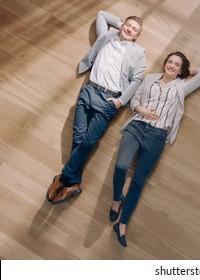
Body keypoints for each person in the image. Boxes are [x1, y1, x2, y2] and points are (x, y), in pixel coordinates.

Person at [110, 51, 200, 247]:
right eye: (170, 62)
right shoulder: (150, 79)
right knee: (121, 166)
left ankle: (122, 224)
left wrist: (185, 71)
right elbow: (135, 100)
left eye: (176, 65)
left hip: (157, 136)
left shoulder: (182, 86)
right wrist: (142, 110)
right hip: (137, 126)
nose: (171, 65)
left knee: (138, 181)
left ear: (181, 69)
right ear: (165, 63)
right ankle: (116, 199)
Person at [46, 10, 147, 204]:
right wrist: (119, 23)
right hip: (89, 90)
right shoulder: (107, 36)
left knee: (89, 142)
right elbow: (101, 14)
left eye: (134, 29)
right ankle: (73, 183)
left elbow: (136, 80)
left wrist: (120, 101)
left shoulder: (138, 53)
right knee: (78, 137)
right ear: (122, 25)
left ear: (137, 35)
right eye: (128, 25)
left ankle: (64, 177)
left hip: (109, 100)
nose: (129, 29)